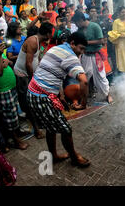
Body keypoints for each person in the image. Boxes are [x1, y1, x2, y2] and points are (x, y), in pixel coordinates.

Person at [26, 32, 90, 167]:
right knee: (66, 129)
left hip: (35, 92)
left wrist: (60, 95)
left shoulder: (56, 48)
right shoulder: (71, 57)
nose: (82, 52)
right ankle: (74, 158)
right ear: (72, 43)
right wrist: (83, 103)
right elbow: (84, 82)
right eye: (81, 48)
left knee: (51, 127)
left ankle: (54, 155)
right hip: (41, 97)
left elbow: (53, 73)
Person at [0, 30, 28, 149]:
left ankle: (18, 132)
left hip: (11, 87)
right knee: (8, 118)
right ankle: (16, 141)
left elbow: (8, 62)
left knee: (14, 113)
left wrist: (3, 61)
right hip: (3, 90)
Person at [14, 22, 54, 137]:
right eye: (50, 33)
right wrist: (33, 79)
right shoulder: (32, 41)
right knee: (28, 103)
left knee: (34, 100)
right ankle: (36, 129)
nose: (51, 36)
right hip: (23, 76)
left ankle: (39, 122)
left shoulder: (38, 41)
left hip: (29, 75)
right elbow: (28, 64)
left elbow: (38, 58)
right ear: (47, 33)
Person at [72, 11, 113, 104]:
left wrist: (87, 43)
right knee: (84, 75)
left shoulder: (94, 26)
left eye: (77, 23)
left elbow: (101, 41)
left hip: (96, 55)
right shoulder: (80, 30)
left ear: (81, 20)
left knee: (101, 76)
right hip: (85, 55)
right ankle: (85, 95)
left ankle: (107, 94)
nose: (76, 25)